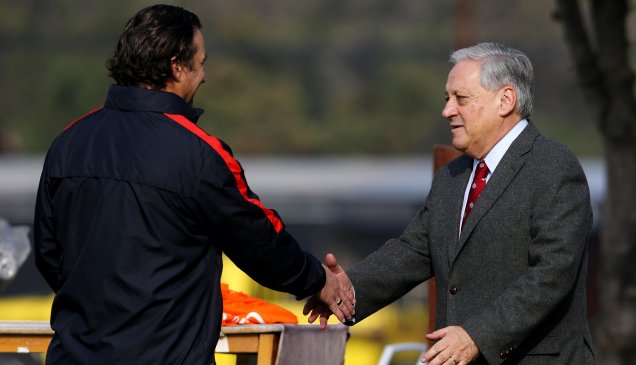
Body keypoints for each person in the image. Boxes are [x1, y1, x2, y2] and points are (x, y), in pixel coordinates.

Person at [33, 5, 353, 365]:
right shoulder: (200, 153)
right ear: (176, 66)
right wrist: (317, 279)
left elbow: (49, 254)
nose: (204, 76)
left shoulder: (68, 143)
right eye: (200, 63)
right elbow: (261, 242)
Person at [305, 42, 594, 364]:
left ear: (506, 100)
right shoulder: (451, 177)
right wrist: (346, 290)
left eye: (461, 99)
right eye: (447, 99)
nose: (447, 111)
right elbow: (414, 251)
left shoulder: (554, 167)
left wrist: (477, 336)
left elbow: (553, 273)